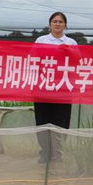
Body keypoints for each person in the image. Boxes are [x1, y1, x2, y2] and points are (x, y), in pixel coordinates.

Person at [34, 12, 77, 163]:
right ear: (49, 24)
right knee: (42, 121)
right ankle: (45, 153)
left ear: (65, 25)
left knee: (62, 122)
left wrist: (70, 51)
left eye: (60, 21)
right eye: (54, 21)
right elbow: (33, 59)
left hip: (64, 88)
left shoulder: (71, 42)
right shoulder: (41, 40)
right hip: (43, 88)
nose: (57, 24)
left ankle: (58, 153)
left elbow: (79, 61)